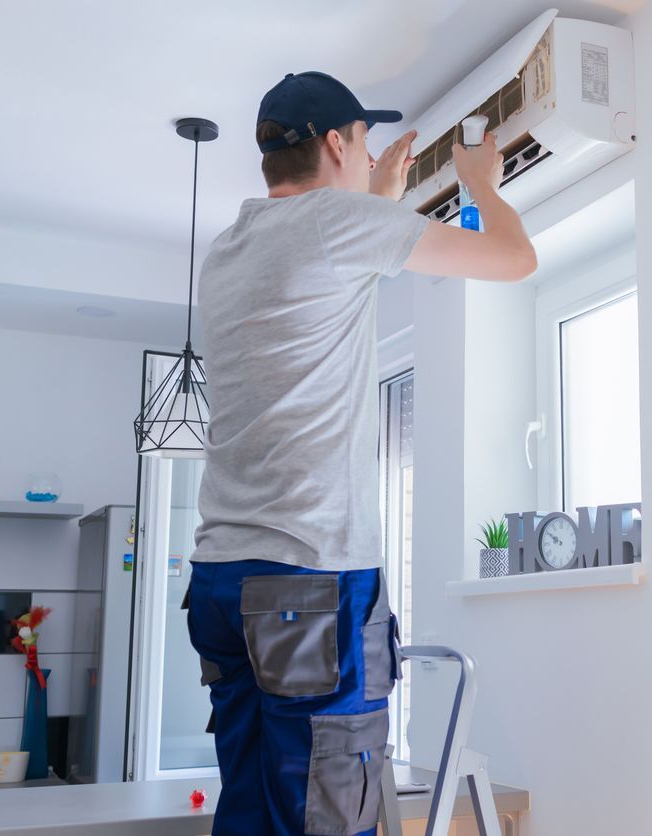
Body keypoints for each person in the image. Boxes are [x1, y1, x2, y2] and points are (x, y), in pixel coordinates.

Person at [185, 71, 536, 836]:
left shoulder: (228, 251)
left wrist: (379, 197)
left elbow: (323, 270)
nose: (368, 153)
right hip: (306, 582)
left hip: (222, 582)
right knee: (332, 809)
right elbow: (515, 259)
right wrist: (481, 181)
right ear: (337, 143)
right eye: (363, 141)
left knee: (258, 803)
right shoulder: (338, 224)